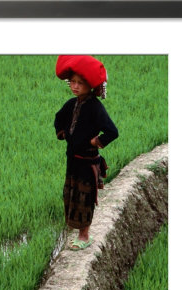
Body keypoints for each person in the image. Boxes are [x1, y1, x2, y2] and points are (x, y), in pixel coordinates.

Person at [54, 55, 119, 250]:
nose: (74, 86)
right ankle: (78, 231)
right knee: (72, 195)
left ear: (90, 85)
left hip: (87, 162)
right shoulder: (71, 104)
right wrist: (63, 132)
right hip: (72, 160)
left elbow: (112, 131)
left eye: (80, 83)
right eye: (72, 82)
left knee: (85, 198)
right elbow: (58, 118)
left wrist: (96, 141)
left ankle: (84, 236)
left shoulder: (95, 107)